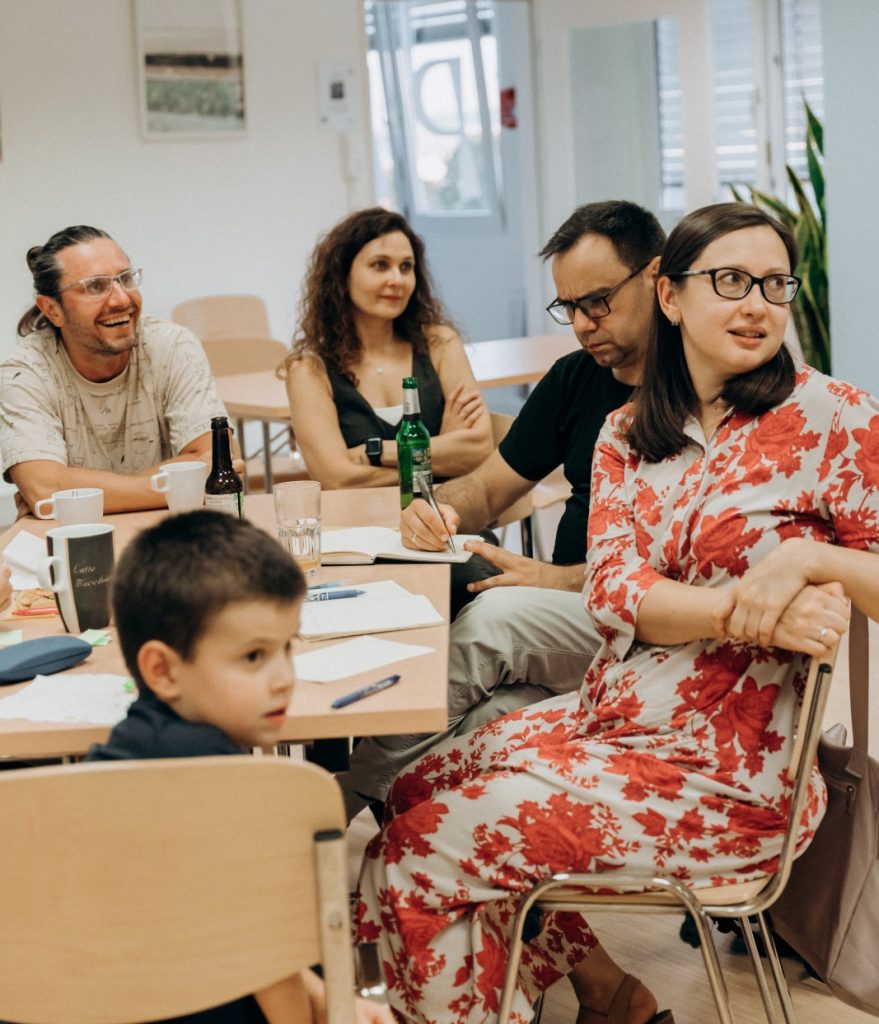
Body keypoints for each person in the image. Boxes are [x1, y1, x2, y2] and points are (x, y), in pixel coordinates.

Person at [354, 201, 879, 1024]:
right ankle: (596, 996)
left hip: (732, 777)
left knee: (420, 855)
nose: (757, 304)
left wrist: (810, 559)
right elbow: (613, 592)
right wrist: (747, 611)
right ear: (671, 297)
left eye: (774, 284)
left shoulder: (835, 419)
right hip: (614, 722)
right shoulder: (625, 433)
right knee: (411, 791)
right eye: (730, 281)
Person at [339, 201, 665, 819]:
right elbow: (489, 488)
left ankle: (347, 797)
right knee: (490, 715)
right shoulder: (575, 378)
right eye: (568, 307)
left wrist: (559, 579)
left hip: (634, 618)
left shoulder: (693, 391)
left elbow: (682, 565)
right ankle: (415, 846)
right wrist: (437, 511)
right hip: (573, 613)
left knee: (494, 618)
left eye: (598, 301)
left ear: (656, 278)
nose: (582, 324)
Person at [87, 511, 391, 1024]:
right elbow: (264, 961)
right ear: (162, 670)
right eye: (253, 656)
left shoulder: (115, 760)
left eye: (286, 648)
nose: (283, 678)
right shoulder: (242, 789)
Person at [0, 225, 230, 516]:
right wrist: (182, 484)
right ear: (51, 309)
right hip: (73, 545)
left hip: (168, 541)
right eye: (95, 286)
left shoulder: (172, 347)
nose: (122, 299)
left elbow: (219, 465)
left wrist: (71, 493)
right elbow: (44, 488)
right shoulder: (26, 372)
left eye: (126, 279)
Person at [282, 206, 493, 489]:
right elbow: (337, 479)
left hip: (447, 522)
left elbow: (479, 449)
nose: (397, 279)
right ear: (343, 276)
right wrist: (441, 456)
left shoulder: (440, 343)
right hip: (358, 527)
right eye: (380, 265)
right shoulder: (309, 370)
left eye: (406, 266)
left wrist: (375, 452)